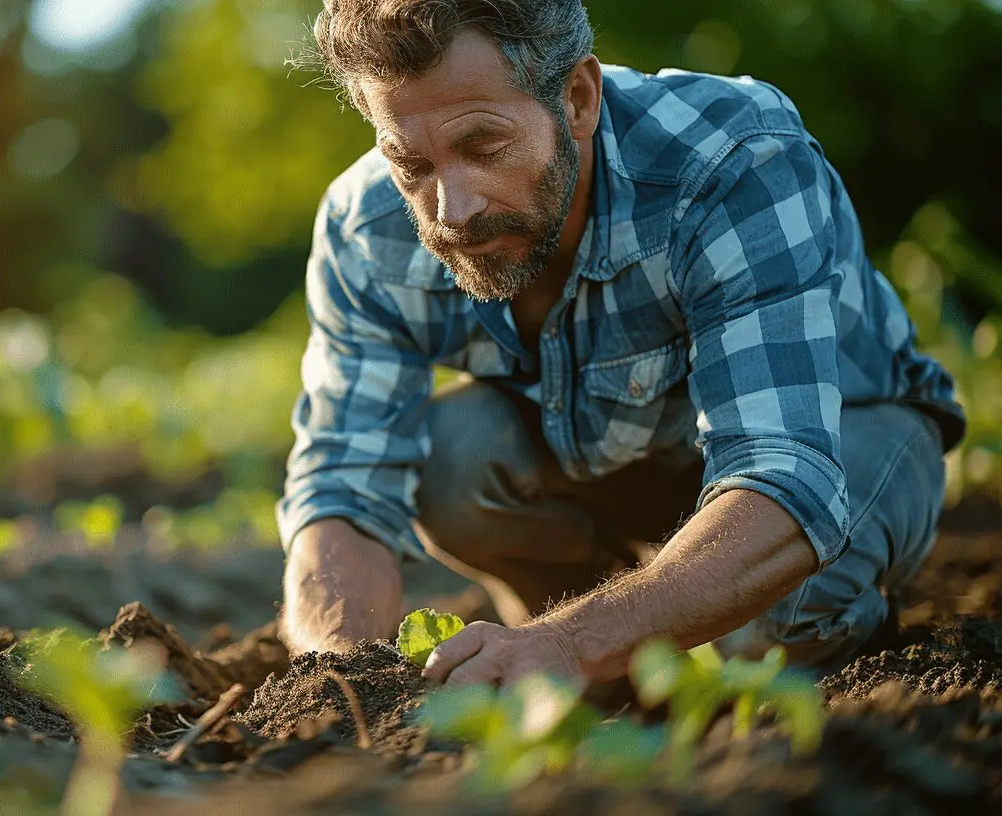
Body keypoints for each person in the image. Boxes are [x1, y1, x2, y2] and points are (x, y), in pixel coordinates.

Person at [277, 0, 966, 688]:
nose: (453, 210)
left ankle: (618, 644)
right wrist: (340, 681)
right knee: (452, 461)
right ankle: (600, 661)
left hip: (845, 439)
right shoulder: (365, 230)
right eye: (410, 163)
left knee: (769, 635)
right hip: (622, 455)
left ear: (577, 98)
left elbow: (786, 476)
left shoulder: (732, 161)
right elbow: (341, 489)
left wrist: (571, 642)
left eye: (484, 149)